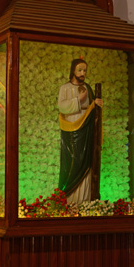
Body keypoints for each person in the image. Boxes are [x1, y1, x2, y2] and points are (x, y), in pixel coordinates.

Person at [57, 58, 103, 202]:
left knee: (86, 160)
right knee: (74, 160)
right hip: (71, 128)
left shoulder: (88, 88)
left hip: (86, 128)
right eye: (80, 70)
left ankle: (85, 200)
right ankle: (71, 199)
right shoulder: (65, 88)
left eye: (84, 70)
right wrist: (78, 100)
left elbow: (92, 108)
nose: (83, 73)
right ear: (73, 71)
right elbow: (61, 106)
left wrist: (96, 104)